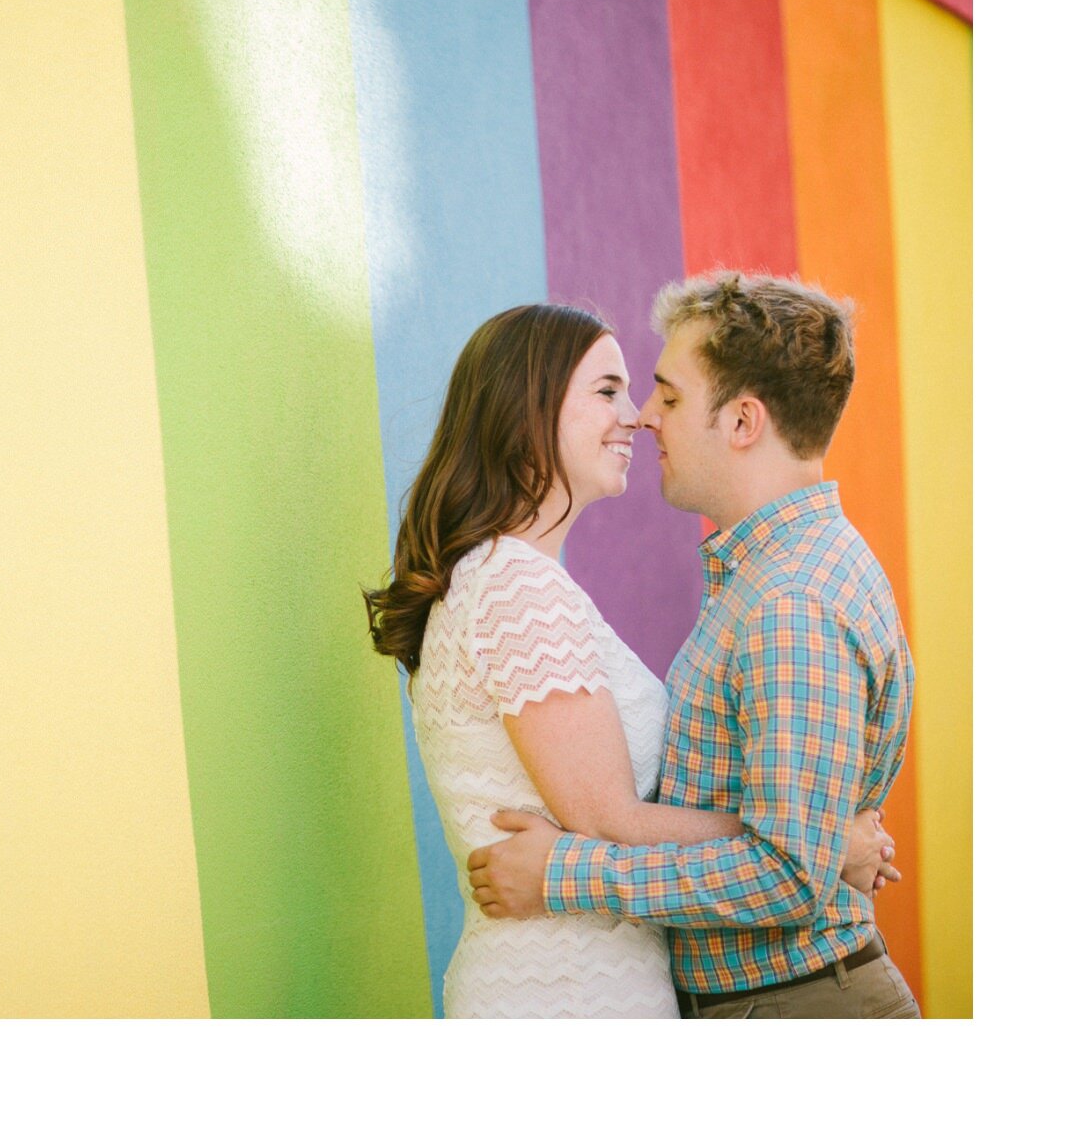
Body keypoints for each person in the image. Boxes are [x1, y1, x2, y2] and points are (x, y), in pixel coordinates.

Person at [364, 300, 895, 1018]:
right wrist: (824, 841)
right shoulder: (515, 582)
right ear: (529, 408)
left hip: (595, 982)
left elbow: (617, 820)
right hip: (568, 993)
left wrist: (811, 839)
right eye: (608, 391)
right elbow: (611, 818)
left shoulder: (525, 580)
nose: (638, 416)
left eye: (652, 394)